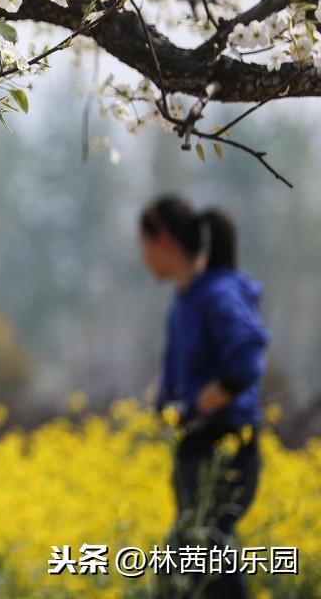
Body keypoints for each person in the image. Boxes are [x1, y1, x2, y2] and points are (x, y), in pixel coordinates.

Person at [139, 196, 270, 599]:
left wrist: (211, 399)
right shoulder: (187, 299)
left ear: (163, 239)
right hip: (200, 451)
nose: (142, 256)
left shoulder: (216, 294)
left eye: (143, 244)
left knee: (199, 560)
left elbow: (248, 352)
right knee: (191, 569)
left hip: (224, 449)